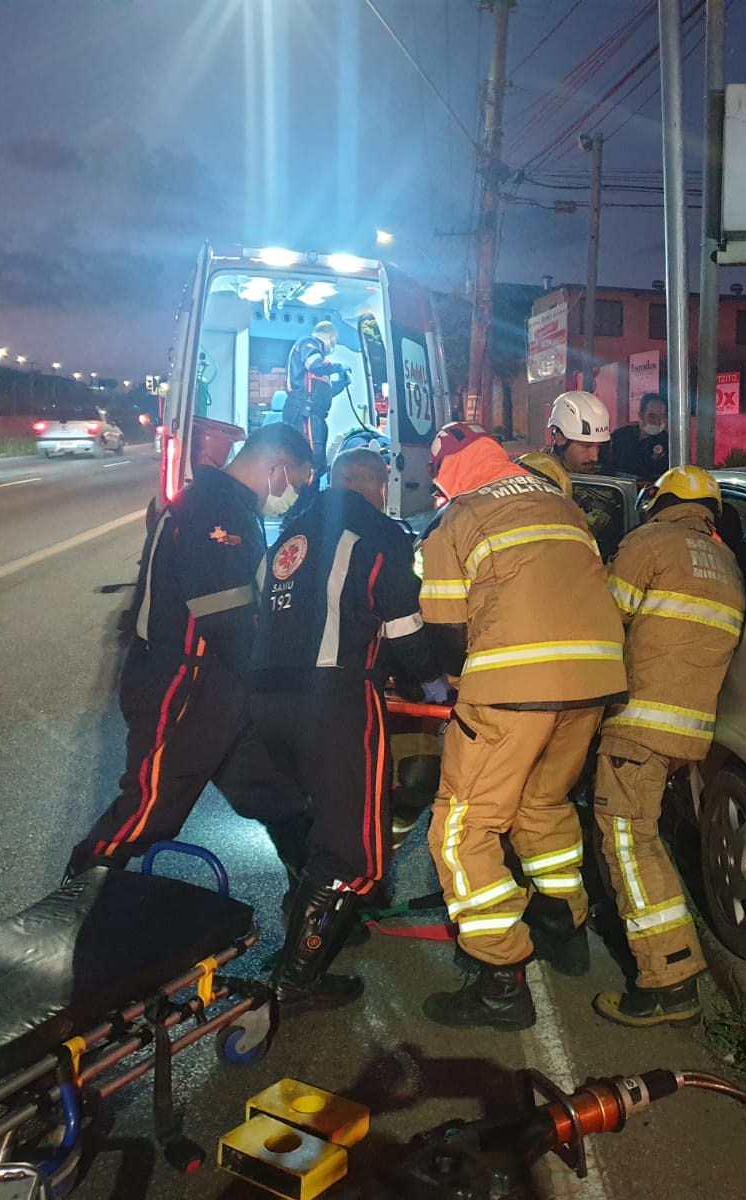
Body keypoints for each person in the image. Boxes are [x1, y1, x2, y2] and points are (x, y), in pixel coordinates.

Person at [417, 422, 628, 1031]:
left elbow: (446, 633)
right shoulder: (559, 505)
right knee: (543, 804)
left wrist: (456, 692)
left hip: (512, 687)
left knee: (462, 826)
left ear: (448, 473)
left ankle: (500, 980)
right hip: (594, 683)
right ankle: (567, 931)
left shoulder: (456, 519)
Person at [67, 424, 317, 881]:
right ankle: (71, 915)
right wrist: (284, 677)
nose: (293, 496)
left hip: (222, 688)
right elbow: (227, 620)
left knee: (278, 795)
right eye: (296, 483)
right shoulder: (214, 512)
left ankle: (317, 899)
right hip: (183, 687)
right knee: (148, 811)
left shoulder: (229, 505)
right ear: (275, 465)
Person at [247, 448, 442, 1009]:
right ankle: (295, 981)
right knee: (354, 847)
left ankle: (326, 925)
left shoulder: (288, 535)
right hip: (333, 699)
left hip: (265, 696)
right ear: (380, 485)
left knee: (313, 820)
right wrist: (431, 682)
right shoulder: (377, 532)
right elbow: (403, 624)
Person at [594, 466, 745, 1028]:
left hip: (637, 724)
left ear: (659, 503)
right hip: (690, 731)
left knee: (629, 845)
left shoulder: (647, 544)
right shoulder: (725, 563)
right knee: (645, 840)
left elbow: (602, 622)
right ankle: (673, 965)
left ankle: (668, 980)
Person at [545, 390, 620, 556]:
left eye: (599, 447)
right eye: (586, 446)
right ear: (560, 439)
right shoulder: (534, 476)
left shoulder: (607, 488)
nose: (594, 457)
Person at [284, 319, 351, 455]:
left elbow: (323, 392)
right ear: (331, 337)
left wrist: (341, 384)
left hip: (314, 415)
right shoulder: (308, 343)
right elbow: (315, 365)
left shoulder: (320, 363)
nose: (332, 348)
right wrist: (338, 367)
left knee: (317, 460)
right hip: (303, 412)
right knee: (310, 459)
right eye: (333, 343)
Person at [608, 394, 669, 481]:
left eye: (662, 416)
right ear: (641, 415)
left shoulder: (667, 442)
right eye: (652, 416)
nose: (657, 422)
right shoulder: (620, 436)